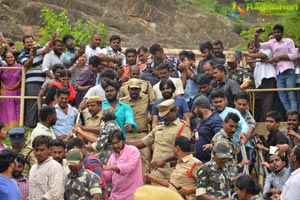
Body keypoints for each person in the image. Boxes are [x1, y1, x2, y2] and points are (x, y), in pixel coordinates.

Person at [127, 99, 191, 180]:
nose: (165, 117)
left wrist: (163, 160)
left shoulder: (183, 127)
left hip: (174, 170)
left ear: (175, 110)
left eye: (167, 114)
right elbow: (142, 143)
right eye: (163, 115)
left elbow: (183, 151)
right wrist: (123, 142)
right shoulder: (158, 127)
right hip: (157, 171)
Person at [254, 24, 298, 111]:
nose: (276, 34)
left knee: (291, 94)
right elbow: (258, 46)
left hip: (289, 70)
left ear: (282, 33)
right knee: (282, 96)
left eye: (278, 32)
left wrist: (280, 57)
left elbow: (295, 55)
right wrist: (256, 35)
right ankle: (291, 115)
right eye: (274, 32)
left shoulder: (288, 41)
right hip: (279, 72)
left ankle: (294, 116)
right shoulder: (272, 42)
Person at [19, 34, 54, 127]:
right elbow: (26, 65)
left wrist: (53, 39)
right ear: (24, 44)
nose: (29, 44)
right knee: (32, 103)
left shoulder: (39, 48)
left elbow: (48, 47)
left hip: (43, 81)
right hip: (31, 82)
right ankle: (30, 125)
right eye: (27, 42)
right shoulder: (22, 54)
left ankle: (41, 124)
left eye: (31, 41)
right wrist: (31, 58)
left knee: (42, 103)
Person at [103, 129, 143, 200]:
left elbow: (128, 167)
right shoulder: (112, 156)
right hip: (116, 195)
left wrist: (110, 167)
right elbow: (108, 176)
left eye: (117, 142)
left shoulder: (133, 150)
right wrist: (98, 170)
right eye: (112, 144)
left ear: (123, 141)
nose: (115, 146)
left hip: (132, 194)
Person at [28, 135, 64, 200]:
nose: (38, 153)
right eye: (36, 150)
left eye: (42, 150)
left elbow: (55, 192)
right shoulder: (33, 168)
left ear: (49, 150)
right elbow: (32, 192)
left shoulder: (55, 166)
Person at [192, 95, 223, 162]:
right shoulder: (201, 120)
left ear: (200, 108)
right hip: (200, 160)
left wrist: (212, 145)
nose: (194, 111)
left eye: (195, 108)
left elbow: (222, 136)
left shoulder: (215, 120)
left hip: (210, 161)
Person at [0, 51, 22, 127]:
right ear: (5, 59)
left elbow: (22, 79)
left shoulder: (19, 66)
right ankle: (4, 128)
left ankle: (15, 128)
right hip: (4, 91)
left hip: (16, 91)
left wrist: (15, 86)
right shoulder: (2, 68)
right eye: (8, 58)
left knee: (16, 110)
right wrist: (5, 87)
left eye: (11, 57)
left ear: (14, 57)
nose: (10, 59)